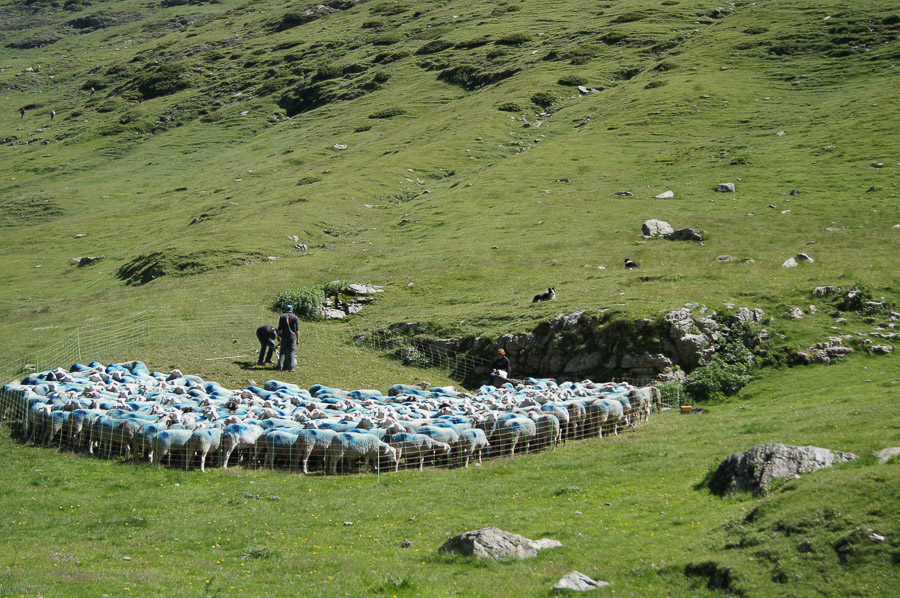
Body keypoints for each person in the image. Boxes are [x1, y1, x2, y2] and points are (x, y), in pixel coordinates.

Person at [277, 304, 300, 372]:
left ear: (286, 309)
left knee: (282, 352)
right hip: (292, 337)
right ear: (292, 310)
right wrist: (298, 339)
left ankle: (280, 367)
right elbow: (297, 329)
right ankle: (291, 368)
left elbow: (279, 328)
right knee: (292, 352)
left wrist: (278, 336)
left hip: (284, 336)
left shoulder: (282, 316)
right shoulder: (295, 317)